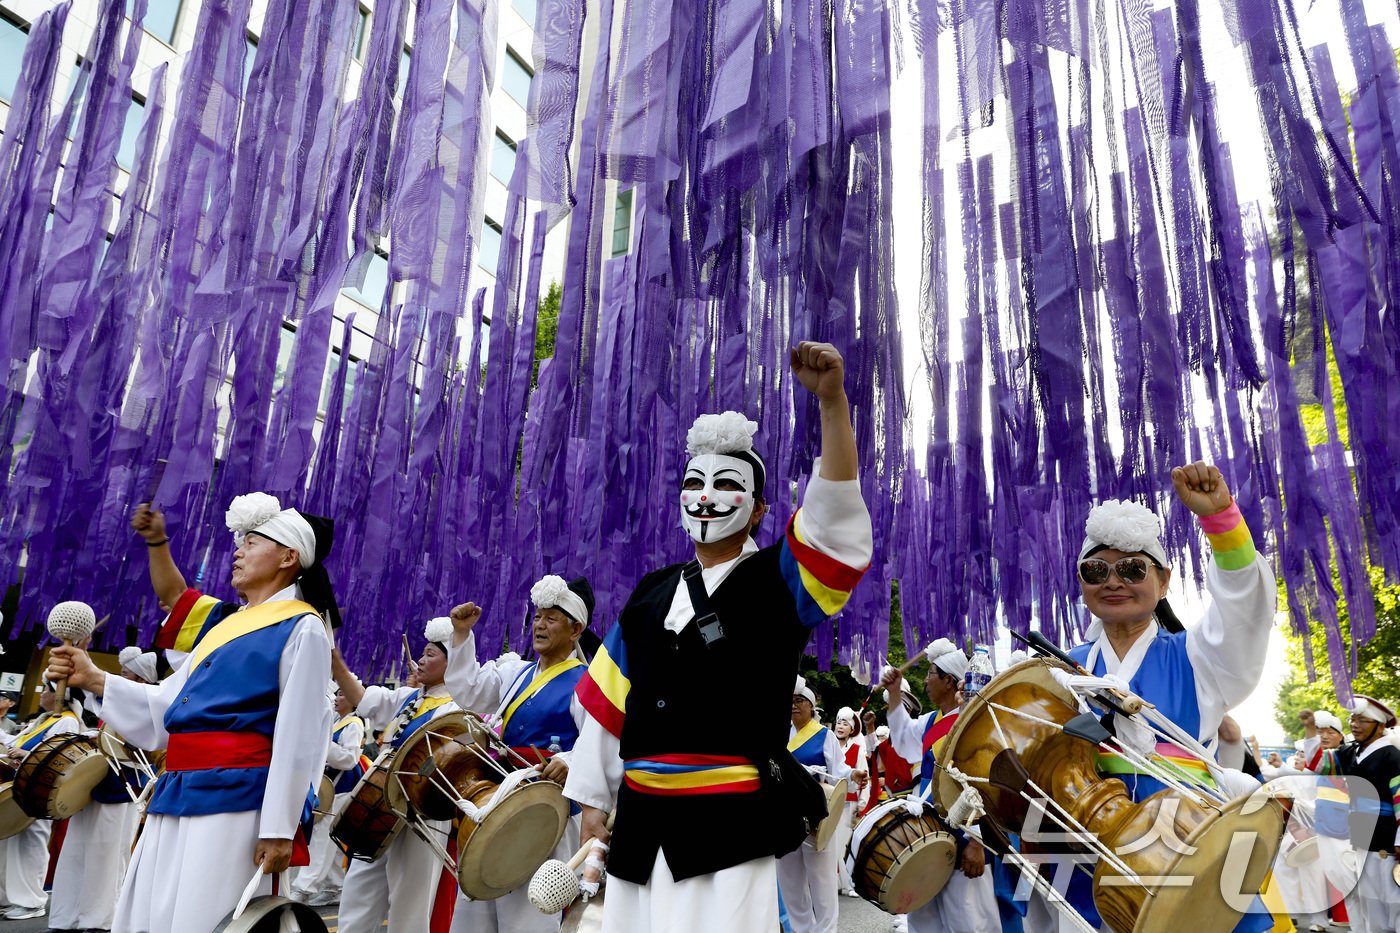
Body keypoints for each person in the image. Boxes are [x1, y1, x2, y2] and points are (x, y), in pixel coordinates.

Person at [564, 342, 873, 933]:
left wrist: (833, 405)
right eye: (693, 483)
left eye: (725, 485)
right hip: (638, 823)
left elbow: (833, 524)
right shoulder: (650, 593)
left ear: (758, 510)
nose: (705, 496)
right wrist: (592, 808)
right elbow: (607, 710)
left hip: (728, 824)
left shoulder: (781, 582)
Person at [45, 493, 337, 933]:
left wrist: (279, 827)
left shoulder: (304, 625)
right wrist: (95, 679)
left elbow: (301, 734)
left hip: (238, 802)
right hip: (176, 790)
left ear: (288, 557)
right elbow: (166, 705)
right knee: (155, 917)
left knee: (206, 918)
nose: (238, 550)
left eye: (252, 542)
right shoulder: (225, 625)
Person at [1053, 462, 1276, 931]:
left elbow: (1245, 607)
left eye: (1132, 568)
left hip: (1192, 853)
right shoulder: (1057, 671)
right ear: (1082, 583)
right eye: (1096, 570)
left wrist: (1221, 520)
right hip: (1087, 867)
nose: (1112, 581)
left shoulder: (1200, 658)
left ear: (1164, 580)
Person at [443, 575, 595, 933]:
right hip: (500, 800)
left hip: (548, 810)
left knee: (526, 915)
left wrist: (568, 761)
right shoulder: (515, 672)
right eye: (537, 616)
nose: (539, 625)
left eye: (551, 618)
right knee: (477, 905)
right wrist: (463, 636)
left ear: (575, 630)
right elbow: (470, 692)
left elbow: (600, 743)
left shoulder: (587, 682)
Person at [332, 617, 462, 933]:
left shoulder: (457, 709)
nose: (421, 659)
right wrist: (336, 662)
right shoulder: (405, 698)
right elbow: (362, 699)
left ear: (452, 662)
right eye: (423, 652)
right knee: (357, 894)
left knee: (409, 907)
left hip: (423, 814)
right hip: (378, 806)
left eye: (431, 654)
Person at [880, 639, 1000, 933]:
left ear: (949, 681)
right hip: (927, 830)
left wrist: (977, 842)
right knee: (925, 920)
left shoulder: (975, 720)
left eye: (931, 674)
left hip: (964, 831)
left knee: (969, 920)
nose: (925, 681)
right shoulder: (931, 720)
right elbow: (903, 738)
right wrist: (895, 693)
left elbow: (985, 783)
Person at [47, 648, 160, 932]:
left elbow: (147, 745)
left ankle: (98, 921)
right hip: (94, 782)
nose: (121, 675)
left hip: (123, 786)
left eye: (127, 672)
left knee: (106, 856)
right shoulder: (119, 702)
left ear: (142, 680)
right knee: (75, 853)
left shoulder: (147, 704)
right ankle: (65, 919)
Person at [1313, 696, 1400, 932]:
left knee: (1394, 903)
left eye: (1362, 720)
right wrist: (1315, 730)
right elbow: (1316, 764)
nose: (1354, 724)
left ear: (1380, 726)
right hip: (1362, 839)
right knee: (1370, 905)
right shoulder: (1352, 753)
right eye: (1352, 718)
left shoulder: (1393, 756)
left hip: (1387, 843)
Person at [777, 677, 852, 932]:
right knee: (790, 882)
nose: (794, 705)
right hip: (784, 814)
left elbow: (840, 771)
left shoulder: (824, 735)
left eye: (799, 700)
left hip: (816, 814)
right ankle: (800, 929)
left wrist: (853, 776)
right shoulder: (777, 734)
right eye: (790, 701)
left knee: (822, 882)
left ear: (811, 706)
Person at [0, 682, 80, 920]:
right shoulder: (46, 719)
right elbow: (15, 742)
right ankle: (7, 898)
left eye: (46, 689)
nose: (42, 694)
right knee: (10, 843)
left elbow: (62, 757)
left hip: (40, 790)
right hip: (21, 787)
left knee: (31, 844)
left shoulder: (66, 720)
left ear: (58, 696)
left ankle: (31, 901)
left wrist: (25, 756)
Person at [290, 687, 366, 906]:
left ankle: (303, 888)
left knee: (323, 837)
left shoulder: (354, 725)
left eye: (342, 694)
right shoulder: (336, 721)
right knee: (330, 837)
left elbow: (349, 759)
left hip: (340, 787)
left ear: (352, 701)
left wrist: (324, 744)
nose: (337, 698)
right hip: (329, 787)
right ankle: (335, 886)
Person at [832, 705, 867, 896]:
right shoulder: (829, 747)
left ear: (852, 729)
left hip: (849, 803)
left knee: (845, 844)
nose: (840, 726)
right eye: (838, 722)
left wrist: (861, 805)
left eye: (845, 723)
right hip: (830, 801)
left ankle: (850, 884)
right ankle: (836, 882)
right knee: (831, 844)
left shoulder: (858, 750)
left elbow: (864, 781)